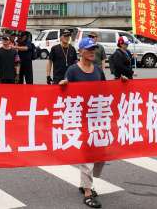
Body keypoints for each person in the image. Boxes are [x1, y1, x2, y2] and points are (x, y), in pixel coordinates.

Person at [59, 37, 107, 208]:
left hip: (98, 117)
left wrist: (123, 84)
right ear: (80, 52)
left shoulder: (97, 71)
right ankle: (88, 192)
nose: (93, 51)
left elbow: (106, 91)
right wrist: (63, 85)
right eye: (89, 49)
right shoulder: (72, 71)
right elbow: (63, 93)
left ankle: (85, 182)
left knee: (101, 155)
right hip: (81, 119)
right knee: (87, 156)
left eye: (94, 48)